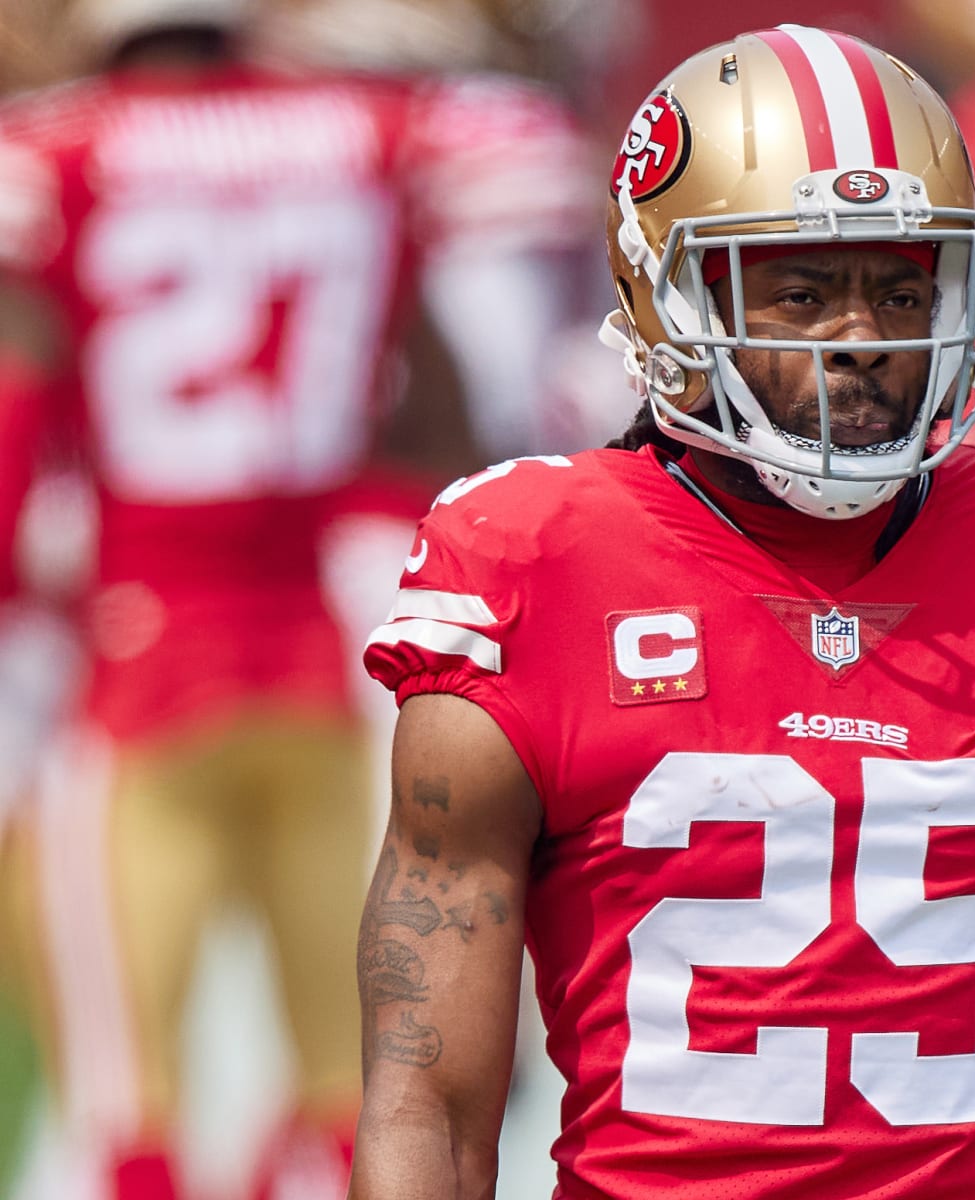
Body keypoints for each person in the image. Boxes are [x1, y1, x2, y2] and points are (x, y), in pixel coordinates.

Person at [353, 24, 975, 1200]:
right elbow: (431, 1108)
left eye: (899, 286)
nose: (864, 342)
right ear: (665, 294)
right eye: (804, 291)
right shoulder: (534, 565)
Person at [0, 1, 595, 1196]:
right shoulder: (386, 126)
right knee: (359, 1093)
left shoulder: (48, 153)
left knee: (128, 1117)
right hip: (323, 669)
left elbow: (22, 408)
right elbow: (491, 344)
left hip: (129, 672)